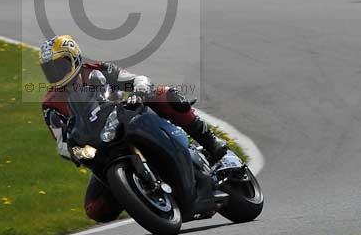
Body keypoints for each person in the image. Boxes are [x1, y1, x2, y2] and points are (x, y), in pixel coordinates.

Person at [39, 35, 228, 223]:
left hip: (127, 117)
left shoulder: (99, 70)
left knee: (163, 94)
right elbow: (60, 140)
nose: (56, 73)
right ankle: (139, 194)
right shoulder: (50, 104)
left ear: (75, 58)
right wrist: (73, 151)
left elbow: (137, 80)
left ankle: (210, 141)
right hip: (101, 145)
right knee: (95, 210)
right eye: (50, 70)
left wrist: (138, 92)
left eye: (60, 65)